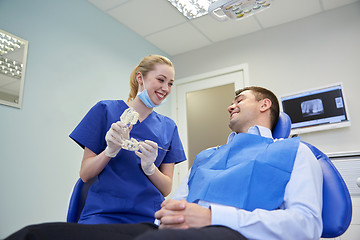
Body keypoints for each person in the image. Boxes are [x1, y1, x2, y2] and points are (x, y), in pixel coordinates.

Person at [5, 86, 323, 240]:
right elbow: (173, 205)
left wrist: (213, 215)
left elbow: (307, 224)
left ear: (265, 104)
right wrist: (163, 205)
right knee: (37, 235)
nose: (230, 106)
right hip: (162, 231)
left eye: (240, 100)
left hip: (233, 232)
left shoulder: (294, 152)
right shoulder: (207, 157)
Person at [68, 54, 186, 224]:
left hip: (148, 217)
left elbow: (166, 188)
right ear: (140, 77)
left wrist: (150, 167)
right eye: (161, 80)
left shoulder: (168, 127)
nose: (166, 88)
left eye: (170, 83)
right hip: (103, 214)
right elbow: (85, 174)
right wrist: (109, 151)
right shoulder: (105, 110)